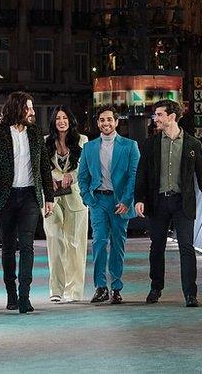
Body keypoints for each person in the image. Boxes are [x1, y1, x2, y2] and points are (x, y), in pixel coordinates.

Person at [135, 100, 202, 307]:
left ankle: (190, 293)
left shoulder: (192, 144)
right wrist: (139, 199)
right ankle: (156, 288)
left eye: (160, 115)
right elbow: (142, 174)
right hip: (158, 202)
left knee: (186, 248)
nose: (156, 119)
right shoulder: (151, 143)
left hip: (183, 203)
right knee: (157, 247)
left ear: (171, 117)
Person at [0, 91, 54, 314]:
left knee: (27, 245)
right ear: (17, 108)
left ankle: (25, 296)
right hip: (6, 196)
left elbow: (43, 166)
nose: (32, 112)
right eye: (28, 108)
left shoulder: (35, 133)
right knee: (9, 247)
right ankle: (11, 294)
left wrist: (49, 197)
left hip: (30, 196)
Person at [77, 105, 140, 305]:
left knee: (118, 245)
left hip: (120, 201)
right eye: (102, 120)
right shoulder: (89, 147)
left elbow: (134, 176)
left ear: (116, 122)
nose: (106, 123)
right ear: (98, 123)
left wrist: (127, 200)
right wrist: (88, 198)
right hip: (98, 201)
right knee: (99, 242)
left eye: (109, 120)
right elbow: (83, 176)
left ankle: (117, 288)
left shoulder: (130, 146)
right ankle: (100, 287)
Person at [43, 106, 88, 304]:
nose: (61, 121)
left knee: (75, 244)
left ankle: (75, 291)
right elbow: (39, 167)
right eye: (58, 118)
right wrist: (49, 178)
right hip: (51, 198)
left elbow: (85, 167)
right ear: (53, 122)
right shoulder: (45, 141)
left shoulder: (82, 140)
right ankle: (56, 290)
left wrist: (72, 175)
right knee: (54, 240)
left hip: (76, 198)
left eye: (65, 118)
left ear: (70, 120)